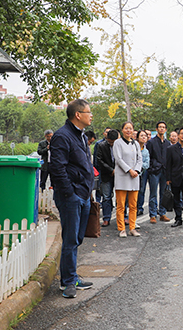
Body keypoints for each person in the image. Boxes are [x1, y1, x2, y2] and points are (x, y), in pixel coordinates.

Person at [49, 99, 94, 298]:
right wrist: (70, 193)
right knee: (69, 238)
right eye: (88, 112)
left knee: (76, 238)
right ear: (78, 114)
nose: (91, 115)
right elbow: (57, 169)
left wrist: (87, 190)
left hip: (83, 193)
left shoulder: (81, 136)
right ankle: (67, 282)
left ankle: (72, 275)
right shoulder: (62, 136)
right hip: (71, 196)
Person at [113, 121, 143, 238]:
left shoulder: (135, 143)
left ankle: (132, 228)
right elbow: (119, 159)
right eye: (126, 128)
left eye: (130, 128)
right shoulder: (117, 143)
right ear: (122, 130)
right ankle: (121, 229)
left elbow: (139, 158)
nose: (129, 130)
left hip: (134, 177)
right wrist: (130, 170)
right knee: (121, 205)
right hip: (123, 176)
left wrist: (136, 170)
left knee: (133, 205)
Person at [146, 122, 172, 224]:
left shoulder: (167, 143)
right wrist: (152, 167)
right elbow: (149, 157)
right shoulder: (151, 142)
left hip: (165, 171)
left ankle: (162, 213)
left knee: (163, 193)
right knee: (153, 193)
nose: (162, 129)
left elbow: (169, 158)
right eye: (160, 127)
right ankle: (152, 214)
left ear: (166, 130)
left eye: (164, 127)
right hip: (154, 170)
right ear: (156, 129)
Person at [95, 129, 119, 227]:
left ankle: (123, 217)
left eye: (113, 142)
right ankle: (106, 218)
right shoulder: (101, 146)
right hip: (106, 175)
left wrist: (117, 170)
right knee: (106, 197)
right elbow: (99, 160)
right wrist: (110, 170)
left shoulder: (120, 145)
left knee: (121, 198)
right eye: (110, 142)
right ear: (107, 139)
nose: (112, 144)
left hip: (119, 175)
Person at [92, 127, 111, 205]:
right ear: (104, 133)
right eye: (106, 132)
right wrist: (96, 168)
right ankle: (98, 201)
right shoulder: (99, 143)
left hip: (109, 169)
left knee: (107, 188)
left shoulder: (115, 143)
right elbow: (96, 156)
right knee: (99, 186)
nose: (108, 134)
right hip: (100, 168)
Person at [136, 130, 151, 216]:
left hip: (143, 173)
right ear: (137, 138)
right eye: (141, 135)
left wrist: (139, 165)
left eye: (145, 136)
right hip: (133, 173)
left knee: (142, 190)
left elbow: (146, 164)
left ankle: (140, 208)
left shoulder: (146, 151)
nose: (144, 137)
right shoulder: (133, 148)